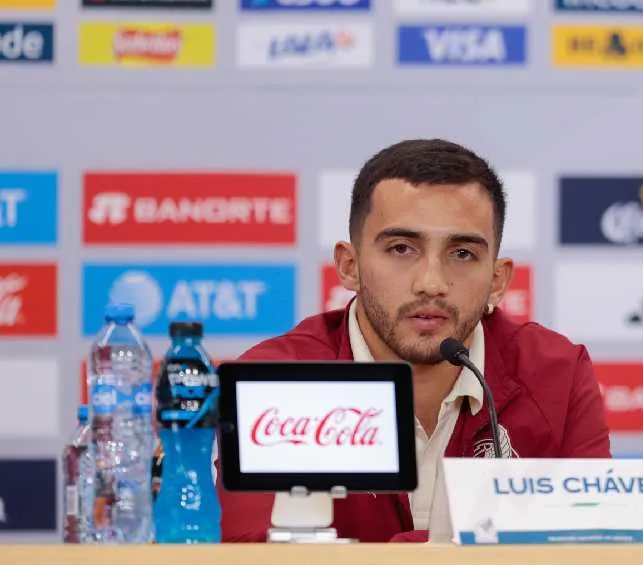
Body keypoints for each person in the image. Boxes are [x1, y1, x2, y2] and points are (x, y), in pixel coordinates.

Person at [217, 139, 611, 543]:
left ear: (497, 280)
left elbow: (599, 545)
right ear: (349, 266)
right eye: (402, 249)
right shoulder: (274, 381)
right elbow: (253, 555)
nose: (431, 283)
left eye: (462, 253)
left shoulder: (556, 374)